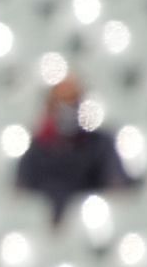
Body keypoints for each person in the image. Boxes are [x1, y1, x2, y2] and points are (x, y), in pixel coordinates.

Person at [15, 74, 130, 222]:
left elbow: (117, 187)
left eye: (73, 102)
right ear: (50, 107)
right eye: (61, 104)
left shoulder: (100, 144)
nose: (68, 110)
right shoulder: (37, 149)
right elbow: (21, 195)